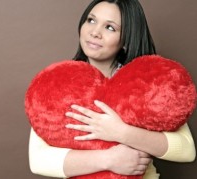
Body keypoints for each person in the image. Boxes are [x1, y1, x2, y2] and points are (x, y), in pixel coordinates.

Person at [28, 0, 196, 178]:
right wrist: (109, 159)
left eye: (110, 27)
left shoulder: (146, 84)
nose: (95, 32)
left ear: (125, 39)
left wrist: (121, 132)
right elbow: (38, 160)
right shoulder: (60, 82)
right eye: (91, 20)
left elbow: (186, 150)